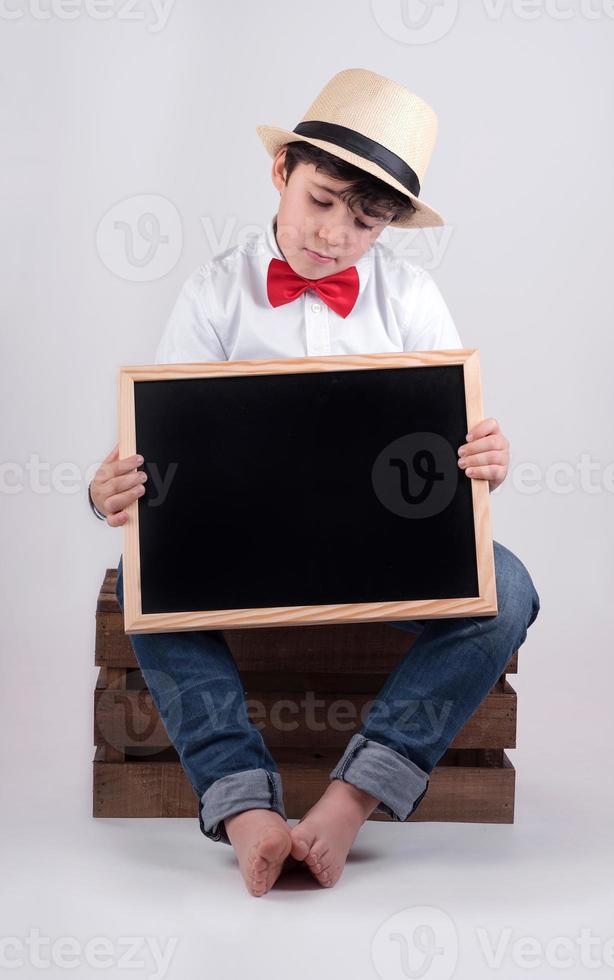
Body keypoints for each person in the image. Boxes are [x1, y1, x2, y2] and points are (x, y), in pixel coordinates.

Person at [89, 68, 541, 897]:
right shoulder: (215, 293)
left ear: (393, 224)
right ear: (281, 174)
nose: (335, 235)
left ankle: (353, 793)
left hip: (382, 560)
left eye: (366, 221)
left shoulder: (412, 295)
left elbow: (447, 458)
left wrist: (486, 463)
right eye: (322, 201)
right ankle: (243, 805)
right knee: (140, 587)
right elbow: (156, 456)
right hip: (239, 555)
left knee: (509, 588)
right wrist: (105, 490)